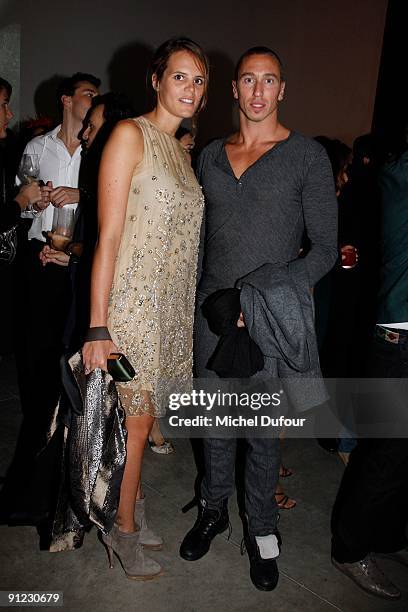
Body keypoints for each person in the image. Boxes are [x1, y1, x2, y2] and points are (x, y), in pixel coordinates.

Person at [179, 46, 338, 592]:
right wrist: (195, 304)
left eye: (269, 81)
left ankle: (263, 531)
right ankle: (213, 509)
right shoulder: (210, 156)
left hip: (268, 317)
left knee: (264, 437)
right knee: (215, 426)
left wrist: (263, 293)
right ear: (234, 89)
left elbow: (323, 249)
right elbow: (200, 240)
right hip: (212, 316)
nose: (257, 91)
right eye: (248, 80)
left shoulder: (308, 156)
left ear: (282, 90)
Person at [82, 37, 209, 580]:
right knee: (134, 422)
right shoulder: (129, 135)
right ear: (156, 80)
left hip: (171, 310)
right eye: (180, 76)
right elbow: (107, 236)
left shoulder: (181, 151)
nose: (190, 89)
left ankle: (129, 506)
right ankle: (122, 527)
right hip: (131, 308)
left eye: (199, 80)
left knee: (148, 419)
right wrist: (97, 325)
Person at [330, 143, 408, 601]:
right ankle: (350, 547)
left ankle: (388, 536)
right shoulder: (400, 171)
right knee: (386, 452)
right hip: (399, 337)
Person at [15, 72, 100, 453]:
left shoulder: (97, 150)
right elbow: (21, 204)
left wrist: (78, 193)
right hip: (40, 258)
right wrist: (35, 202)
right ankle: (37, 425)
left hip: (75, 262)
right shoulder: (36, 147)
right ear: (66, 100)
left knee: (71, 346)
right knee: (37, 345)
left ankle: (68, 425)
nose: (93, 99)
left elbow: (103, 198)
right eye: (87, 93)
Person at [0, 77, 42, 354]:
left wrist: (30, 206)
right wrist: (22, 200)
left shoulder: (9, 148)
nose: (10, 113)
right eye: (3, 105)